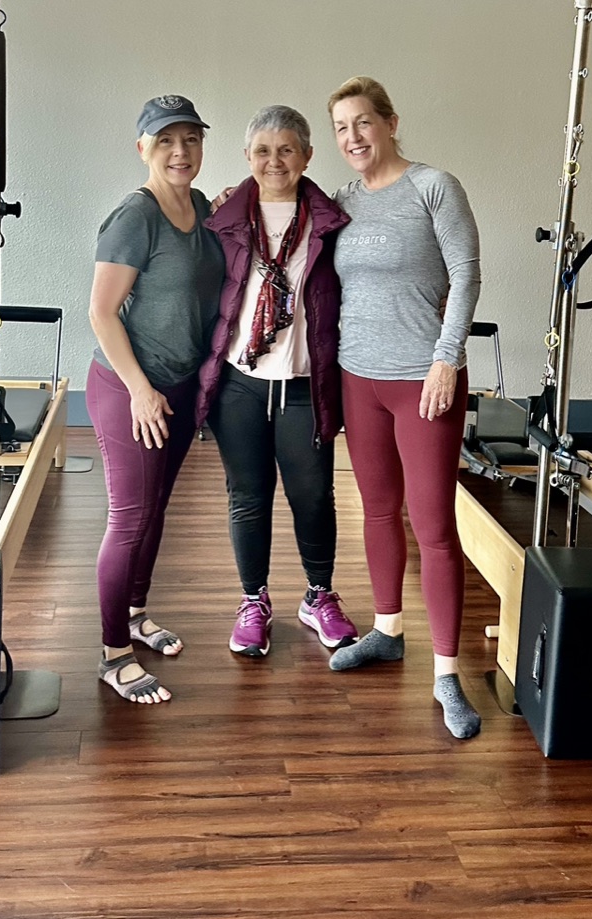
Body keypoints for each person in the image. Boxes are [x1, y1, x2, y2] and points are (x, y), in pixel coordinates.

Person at [326, 77, 483, 740]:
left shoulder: (433, 186)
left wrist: (447, 358)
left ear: (390, 122)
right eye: (341, 128)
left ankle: (447, 674)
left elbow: (466, 272)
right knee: (376, 509)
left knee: (434, 527)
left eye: (363, 122)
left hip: (423, 380)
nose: (352, 137)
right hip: (356, 377)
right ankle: (387, 630)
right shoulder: (341, 200)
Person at [197, 105, 357, 658]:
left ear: (307, 156)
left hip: (304, 383)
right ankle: (253, 600)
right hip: (240, 383)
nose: (274, 161)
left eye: (286, 149)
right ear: (247, 156)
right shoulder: (223, 220)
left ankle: (318, 596)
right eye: (263, 151)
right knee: (248, 496)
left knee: (313, 495)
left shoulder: (331, 222)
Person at [86, 95, 224, 702]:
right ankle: (113, 653)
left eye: (190, 138)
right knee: (129, 517)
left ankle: (135, 614)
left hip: (178, 386)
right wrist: (140, 390)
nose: (180, 151)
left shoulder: (201, 206)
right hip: (128, 387)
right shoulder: (135, 217)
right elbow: (101, 312)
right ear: (143, 148)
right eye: (165, 140)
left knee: (156, 507)